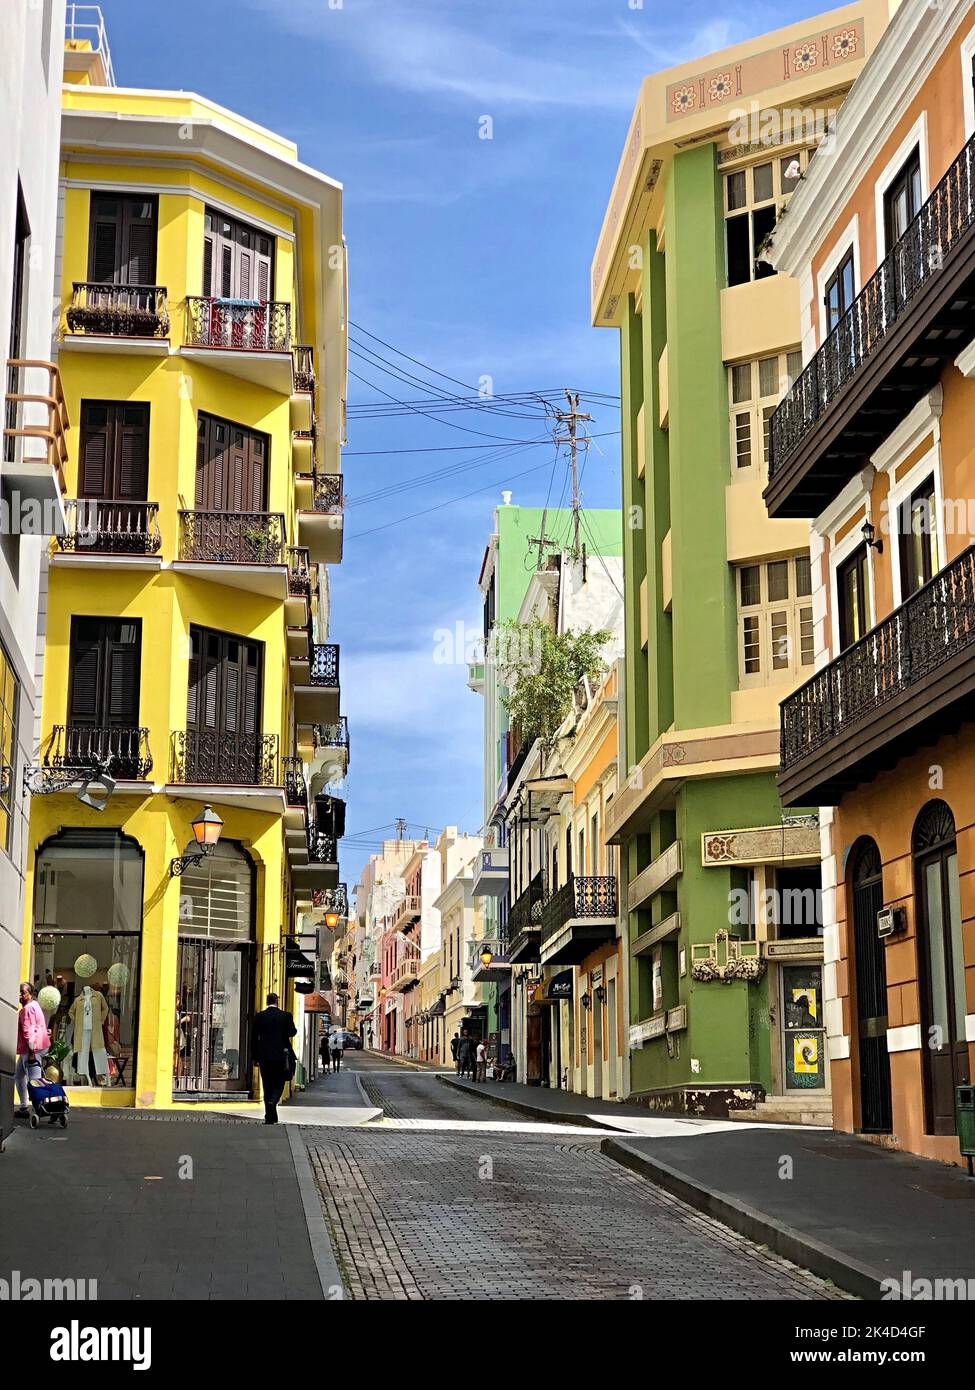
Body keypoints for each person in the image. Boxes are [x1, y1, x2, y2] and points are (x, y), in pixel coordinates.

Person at [252, 992, 296, 1124]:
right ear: (277, 1001)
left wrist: (255, 1057)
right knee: (280, 1082)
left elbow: (254, 1038)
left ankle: (270, 1117)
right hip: (281, 1056)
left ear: (267, 1001)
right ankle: (274, 1100)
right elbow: (292, 1032)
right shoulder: (285, 1016)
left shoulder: (260, 1016)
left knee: (267, 1085)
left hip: (264, 1056)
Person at [15, 982, 50, 1118]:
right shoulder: (35, 1005)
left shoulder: (27, 1010)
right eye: (19, 992)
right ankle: (24, 1107)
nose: (20, 995)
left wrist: (31, 1053)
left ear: (30, 994)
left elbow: (29, 1032)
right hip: (38, 1046)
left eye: (23, 992)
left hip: (32, 1049)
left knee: (34, 1081)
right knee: (18, 1075)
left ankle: (40, 1109)